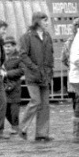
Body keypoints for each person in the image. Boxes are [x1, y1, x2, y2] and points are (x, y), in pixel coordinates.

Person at [18, 11, 55, 142]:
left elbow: (50, 53)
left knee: (45, 105)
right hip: (33, 76)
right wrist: (33, 67)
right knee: (36, 101)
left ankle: (42, 133)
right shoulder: (27, 37)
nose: (47, 23)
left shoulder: (47, 36)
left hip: (45, 75)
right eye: (44, 20)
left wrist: (50, 69)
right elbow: (23, 55)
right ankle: (22, 127)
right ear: (37, 21)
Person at [1, 35, 24, 135]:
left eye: (9, 46)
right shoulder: (0, 56)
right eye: (5, 46)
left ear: (14, 46)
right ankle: (14, 126)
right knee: (4, 107)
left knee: (14, 107)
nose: (7, 48)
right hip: (2, 85)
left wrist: (7, 74)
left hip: (14, 84)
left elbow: (22, 70)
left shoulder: (19, 57)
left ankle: (15, 126)